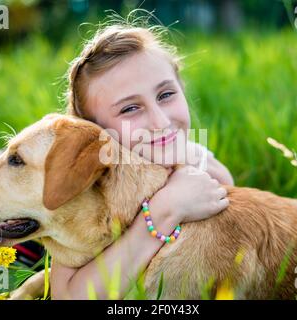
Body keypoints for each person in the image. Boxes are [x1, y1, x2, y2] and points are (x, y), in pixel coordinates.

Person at [50, 22, 234, 299]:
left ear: (182, 88)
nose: (160, 121)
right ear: (95, 132)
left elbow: (225, 189)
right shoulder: (89, 191)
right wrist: (163, 211)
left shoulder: (197, 163)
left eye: (166, 94)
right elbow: (68, 296)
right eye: (130, 108)